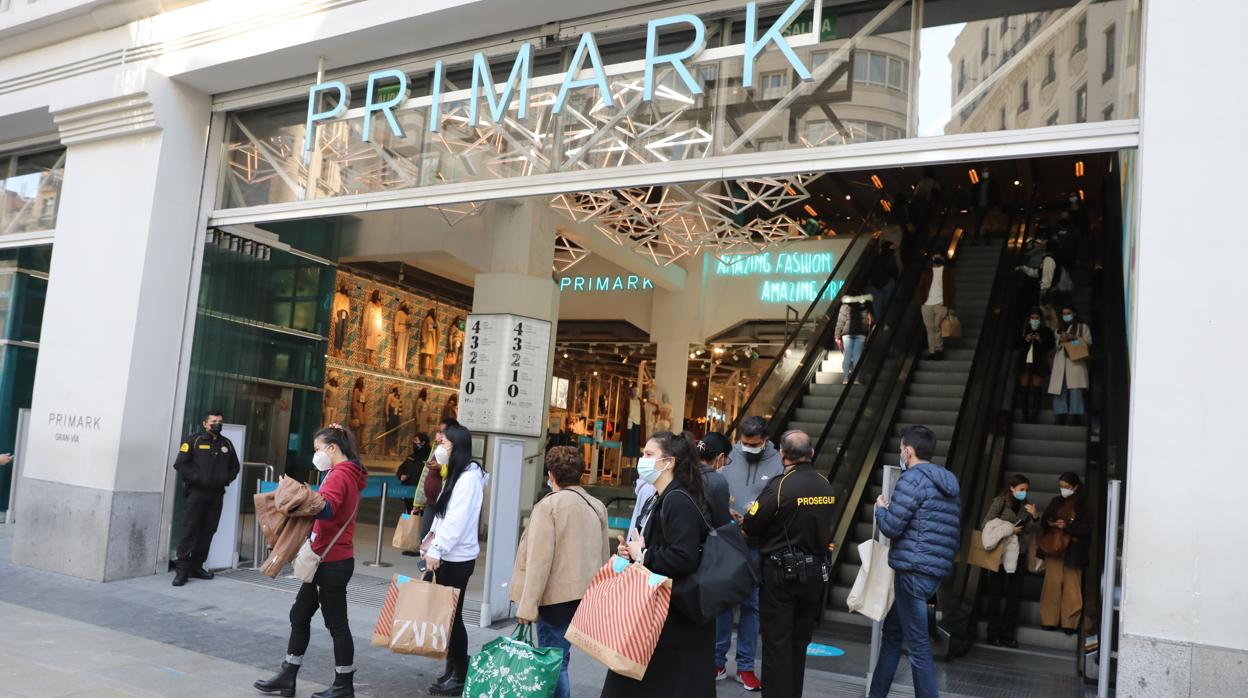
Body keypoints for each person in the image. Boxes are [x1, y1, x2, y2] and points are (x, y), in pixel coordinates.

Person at [255, 424, 368, 698]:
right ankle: (288, 674)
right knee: (300, 614)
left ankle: (344, 683)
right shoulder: (343, 472)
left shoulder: (341, 474)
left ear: (333, 448)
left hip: (331, 561)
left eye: (318, 449)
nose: (316, 455)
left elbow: (327, 508)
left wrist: (297, 496)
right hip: (327, 558)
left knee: (337, 624)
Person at [604, 431, 714, 697]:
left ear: (669, 462)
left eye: (649, 455)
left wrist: (643, 554)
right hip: (659, 611)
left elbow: (684, 556)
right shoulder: (660, 496)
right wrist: (632, 552)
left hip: (670, 616)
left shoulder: (677, 500)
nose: (642, 460)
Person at [741, 430, 836, 698]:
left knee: (777, 644)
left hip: (782, 575)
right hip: (815, 574)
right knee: (799, 643)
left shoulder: (780, 485)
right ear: (812, 454)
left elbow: (752, 523)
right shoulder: (825, 485)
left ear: (782, 454)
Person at [510, 446, 610, 698]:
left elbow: (539, 562)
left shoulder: (548, 506)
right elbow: (604, 556)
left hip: (554, 599)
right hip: (583, 597)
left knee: (554, 664)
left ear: (551, 474)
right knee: (561, 659)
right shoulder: (596, 505)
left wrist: (527, 606)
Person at [869, 425, 961, 698]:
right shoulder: (948, 481)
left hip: (911, 570)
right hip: (932, 571)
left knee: (919, 647)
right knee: (892, 635)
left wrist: (880, 511)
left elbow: (893, 528)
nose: (900, 453)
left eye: (900, 449)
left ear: (908, 451)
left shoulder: (911, 479)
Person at [716, 416, 783, 690]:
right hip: (728, 541)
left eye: (754, 444)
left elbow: (781, 500)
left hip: (757, 544)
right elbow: (716, 491)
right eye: (744, 443)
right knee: (721, 603)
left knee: (751, 606)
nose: (748, 448)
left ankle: (745, 665)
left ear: (765, 440)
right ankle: (716, 660)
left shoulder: (778, 461)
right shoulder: (730, 456)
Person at [424, 424, 487, 696]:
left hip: (457, 558)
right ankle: (453, 668)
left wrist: (438, 549)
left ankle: (460, 674)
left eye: (446, 444)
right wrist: (431, 540)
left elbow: (457, 521)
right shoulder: (458, 474)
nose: (441, 446)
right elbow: (444, 514)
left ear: (458, 448)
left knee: (453, 616)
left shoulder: (469, 479)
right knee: (449, 615)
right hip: (449, 554)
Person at [171, 409, 240, 587]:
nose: (217, 424)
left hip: (216, 494)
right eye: (213, 421)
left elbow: (235, 467)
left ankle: (197, 566)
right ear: (205, 424)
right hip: (196, 493)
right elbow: (180, 464)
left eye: (220, 421)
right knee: (189, 530)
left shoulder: (227, 444)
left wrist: (226, 478)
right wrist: (196, 478)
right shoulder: (194, 440)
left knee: (208, 530)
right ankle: (182, 571)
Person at [980, 474, 1039, 648]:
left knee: (1015, 596)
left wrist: (1035, 517)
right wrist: (1009, 530)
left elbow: (1033, 531)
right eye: (1021, 489)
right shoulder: (1000, 502)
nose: (1024, 493)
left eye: (1026, 490)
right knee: (995, 594)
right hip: (999, 553)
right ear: (1012, 488)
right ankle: (993, 633)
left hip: (1018, 553)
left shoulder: (1026, 506)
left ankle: (1008, 634)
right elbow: (985, 524)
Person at [1039, 472, 1092, 635]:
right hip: (1055, 548)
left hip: (1074, 550)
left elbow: (1087, 529)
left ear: (1075, 487)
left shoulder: (1085, 504)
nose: (1063, 490)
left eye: (1066, 487)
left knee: (1072, 586)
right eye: (1061, 486)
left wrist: (1066, 527)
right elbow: (1044, 521)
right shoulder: (1056, 501)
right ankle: (1049, 620)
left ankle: (1070, 623)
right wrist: (1052, 521)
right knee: (1051, 584)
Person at [415, 418, 458, 542]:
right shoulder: (437, 448)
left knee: (436, 539)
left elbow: (453, 472)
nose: (438, 435)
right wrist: (418, 501)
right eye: (438, 431)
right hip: (430, 502)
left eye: (441, 432)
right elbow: (425, 475)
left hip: (443, 503)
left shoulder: (454, 451)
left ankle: (431, 561)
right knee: (425, 538)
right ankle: (425, 560)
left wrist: (440, 467)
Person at [1049, 306, 1092, 426]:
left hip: (1075, 361)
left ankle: (1076, 418)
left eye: (1068, 313)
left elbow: (1087, 343)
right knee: (1059, 389)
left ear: (1074, 314)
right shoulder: (1058, 329)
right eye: (1063, 313)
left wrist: (1073, 338)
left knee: (1075, 390)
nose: (1066, 315)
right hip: (1061, 360)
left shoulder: (1082, 327)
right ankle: (1060, 417)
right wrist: (1061, 340)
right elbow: (1056, 346)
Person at [396, 433, 431, 556]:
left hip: (421, 495)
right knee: (410, 518)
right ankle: (410, 544)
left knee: (420, 520)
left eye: (417, 441)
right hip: (409, 494)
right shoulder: (411, 457)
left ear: (423, 443)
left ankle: (419, 546)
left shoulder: (429, 457)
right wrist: (401, 475)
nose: (414, 444)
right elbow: (401, 469)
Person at [1019, 310, 1057, 422]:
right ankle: (1025, 416)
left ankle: (1034, 416)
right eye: (1032, 318)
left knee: (1037, 387)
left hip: (1039, 361)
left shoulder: (1046, 331)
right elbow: (1016, 344)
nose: (1034, 320)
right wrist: (1026, 339)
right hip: (1024, 361)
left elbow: (1050, 346)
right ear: (1029, 319)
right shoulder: (1024, 329)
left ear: (1041, 320)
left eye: (1037, 318)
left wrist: (1040, 340)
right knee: (1024, 388)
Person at [916, 254, 956, 361]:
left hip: (941, 304)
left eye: (939, 256)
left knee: (937, 327)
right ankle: (932, 351)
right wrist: (921, 300)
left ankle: (939, 350)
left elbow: (951, 289)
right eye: (935, 256)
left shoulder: (947, 272)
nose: (936, 259)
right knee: (930, 329)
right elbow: (921, 287)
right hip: (927, 305)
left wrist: (951, 306)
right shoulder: (927, 272)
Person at [835, 287, 874, 383]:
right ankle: (856, 378)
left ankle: (846, 378)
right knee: (857, 355)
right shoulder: (866, 305)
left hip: (847, 333)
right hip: (861, 333)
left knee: (847, 354)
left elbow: (840, 321)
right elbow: (872, 319)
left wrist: (837, 335)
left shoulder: (845, 305)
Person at [695, 432, 733, 528]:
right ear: (720, 457)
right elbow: (723, 523)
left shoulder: (683, 471)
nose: (724, 464)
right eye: (726, 459)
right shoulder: (717, 481)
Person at [868, 240, 899, 319]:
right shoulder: (891, 257)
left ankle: (879, 324)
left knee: (878, 306)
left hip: (875, 284)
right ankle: (887, 322)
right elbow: (894, 270)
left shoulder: (877, 258)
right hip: (887, 283)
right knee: (888, 305)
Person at [970, 167, 1000, 245]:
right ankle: (976, 240)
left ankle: (988, 239)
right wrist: (972, 204)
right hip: (979, 206)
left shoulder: (993, 184)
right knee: (978, 223)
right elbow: (974, 195)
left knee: (988, 223)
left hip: (988, 206)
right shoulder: (978, 184)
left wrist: (995, 205)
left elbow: (996, 195)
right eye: (984, 172)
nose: (985, 174)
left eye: (986, 172)